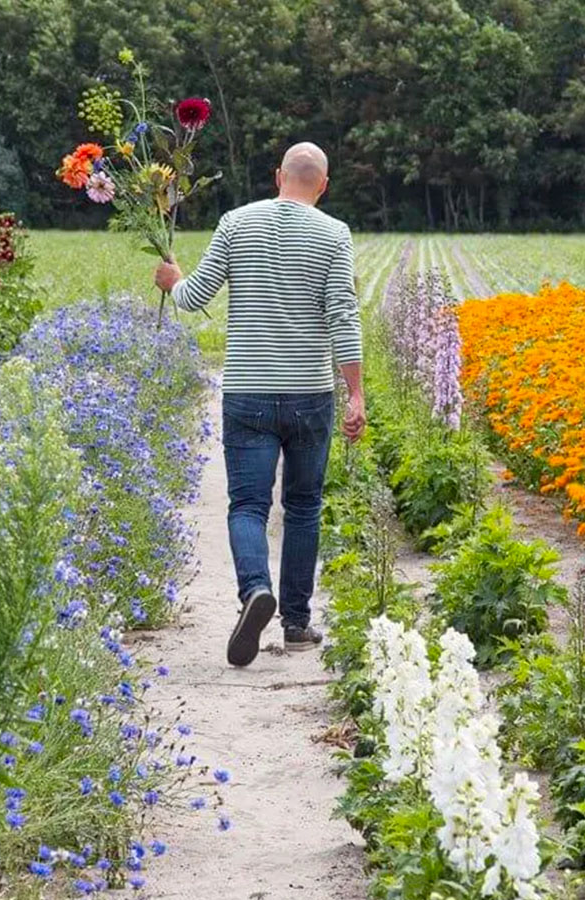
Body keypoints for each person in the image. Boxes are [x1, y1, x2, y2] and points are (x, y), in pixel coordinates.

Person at [154, 141, 365, 667]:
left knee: (247, 506)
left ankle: (254, 592)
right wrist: (355, 392)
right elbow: (343, 315)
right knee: (303, 507)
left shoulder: (236, 223)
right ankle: (295, 624)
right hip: (310, 395)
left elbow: (196, 295)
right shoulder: (334, 234)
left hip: (247, 389)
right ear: (324, 185)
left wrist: (172, 280)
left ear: (277, 177)